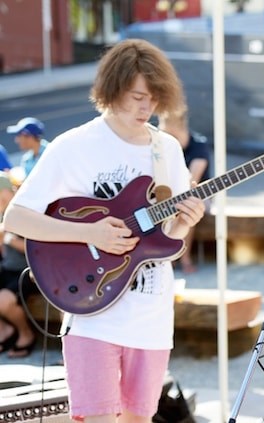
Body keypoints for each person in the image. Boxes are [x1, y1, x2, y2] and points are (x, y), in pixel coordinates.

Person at [3, 38, 205, 422]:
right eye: (137, 97)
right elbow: (15, 218)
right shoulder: (73, 146)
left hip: (152, 317)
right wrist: (90, 234)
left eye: (154, 98)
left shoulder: (167, 150)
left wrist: (182, 222)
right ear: (112, 90)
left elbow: (167, 246)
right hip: (92, 314)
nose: (147, 107)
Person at [159, 106, 211, 274]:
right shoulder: (159, 145)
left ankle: (184, 257)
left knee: (187, 208)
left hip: (200, 193)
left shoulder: (198, 145)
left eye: (172, 135)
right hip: (169, 194)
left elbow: (192, 180)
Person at [0, 172, 35, 358]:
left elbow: (33, 249)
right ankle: (5, 331)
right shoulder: (2, 213)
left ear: (7, 191)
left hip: (26, 271)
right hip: (7, 268)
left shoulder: (24, 210)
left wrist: (7, 238)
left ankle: (26, 335)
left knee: (3, 301)